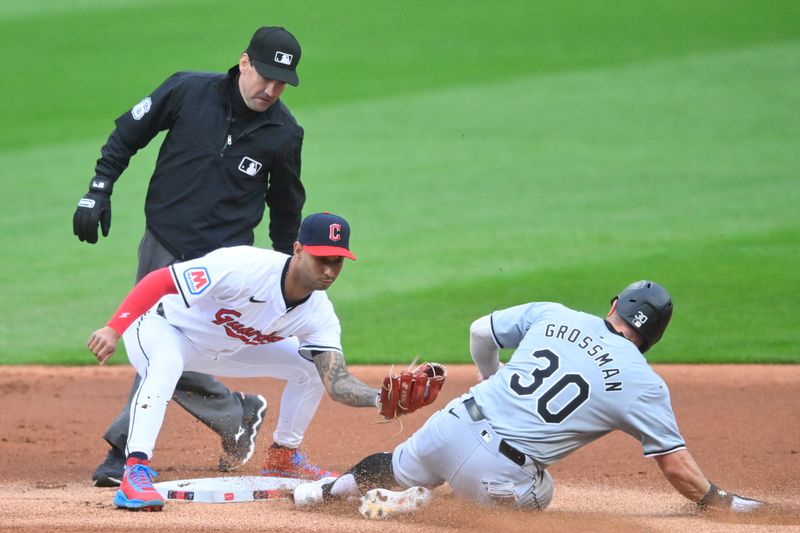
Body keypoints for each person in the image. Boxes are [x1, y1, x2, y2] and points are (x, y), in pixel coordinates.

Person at [293, 281, 765, 518]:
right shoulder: (643, 383)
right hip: (497, 472)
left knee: (394, 461)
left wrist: (490, 377)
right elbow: (676, 466)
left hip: (454, 420)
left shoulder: (554, 314)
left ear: (614, 307)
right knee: (543, 492)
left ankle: (322, 493)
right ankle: (427, 508)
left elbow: (481, 330)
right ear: (654, 336)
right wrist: (714, 499)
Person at [73, 26, 308, 487]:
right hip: (162, 243)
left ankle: (124, 451)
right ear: (244, 62)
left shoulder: (284, 133)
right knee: (160, 346)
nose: (271, 89)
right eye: (265, 75)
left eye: (282, 82)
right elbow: (127, 133)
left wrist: (285, 278)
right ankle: (235, 414)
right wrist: (98, 189)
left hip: (223, 263)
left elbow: (286, 208)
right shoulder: (187, 90)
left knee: (162, 348)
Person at [86, 212, 389, 511]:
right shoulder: (244, 267)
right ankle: (135, 470)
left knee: (310, 366)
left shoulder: (319, 314)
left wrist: (381, 398)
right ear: (297, 249)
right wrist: (113, 329)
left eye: (337, 261)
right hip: (161, 328)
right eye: (321, 258)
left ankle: (283, 457)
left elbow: (336, 381)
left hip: (225, 347)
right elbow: (160, 280)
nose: (329, 270)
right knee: (166, 363)